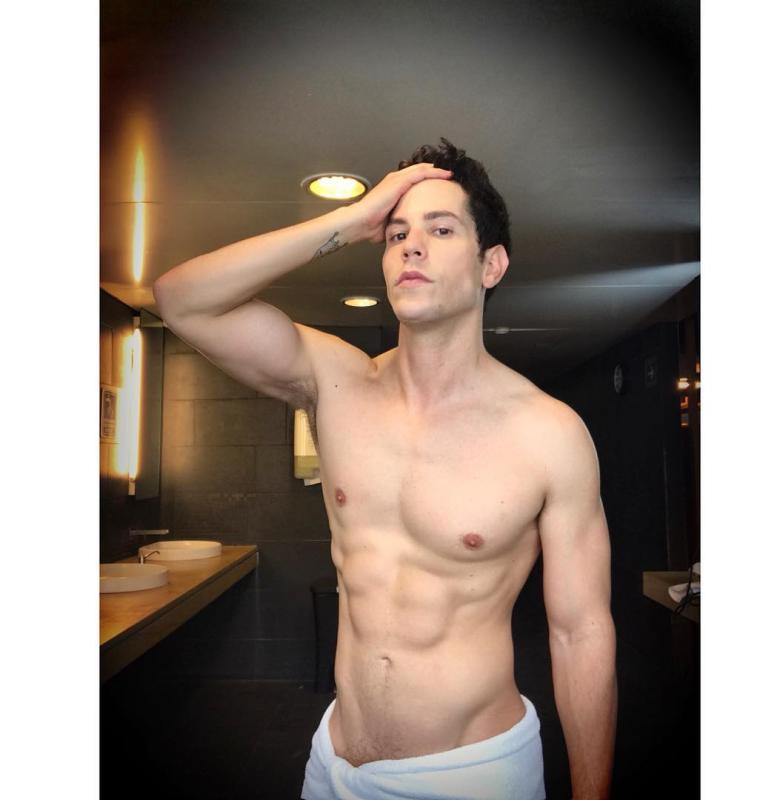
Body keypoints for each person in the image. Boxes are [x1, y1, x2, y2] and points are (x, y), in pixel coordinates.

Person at [154, 138, 617, 800]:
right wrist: (349, 222)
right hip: (334, 763)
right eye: (397, 233)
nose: (411, 247)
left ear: (491, 264)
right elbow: (181, 299)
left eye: (441, 229)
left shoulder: (549, 433)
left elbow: (580, 632)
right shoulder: (336, 381)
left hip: (472, 774)